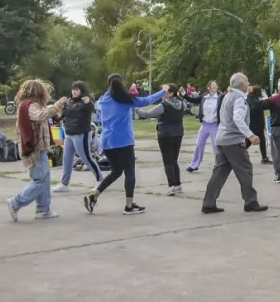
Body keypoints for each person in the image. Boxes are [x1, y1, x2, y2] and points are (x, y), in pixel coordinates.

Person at [84, 75, 167, 216]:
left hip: (107, 141)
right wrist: (163, 91)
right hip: (123, 141)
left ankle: (94, 195)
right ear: (122, 85)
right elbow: (146, 101)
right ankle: (129, 206)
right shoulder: (126, 101)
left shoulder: (103, 100)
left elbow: (97, 104)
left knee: (116, 171)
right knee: (129, 171)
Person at [201, 72, 269, 214]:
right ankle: (250, 202)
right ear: (242, 84)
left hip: (222, 138)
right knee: (245, 170)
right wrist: (250, 135)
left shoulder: (227, 96)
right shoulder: (239, 98)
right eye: (247, 82)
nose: (249, 84)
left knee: (219, 172)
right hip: (233, 141)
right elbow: (238, 118)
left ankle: (208, 203)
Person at [6, 80, 67, 221]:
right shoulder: (30, 105)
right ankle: (16, 203)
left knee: (44, 179)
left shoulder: (28, 104)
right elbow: (40, 116)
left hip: (38, 148)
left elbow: (43, 113)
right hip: (35, 149)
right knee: (40, 180)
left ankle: (43, 209)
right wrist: (57, 105)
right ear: (38, 92)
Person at [135, 83, 187, 195]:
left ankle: (171, 185)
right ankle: (178, 185)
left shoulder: (164, 105)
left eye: (165, 91)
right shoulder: (182, 104)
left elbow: (147, 114)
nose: (163, 94)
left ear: (170, 93)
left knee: (167, 161)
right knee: (174, 160)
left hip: (165, 133)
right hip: (178, 132)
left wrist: (135, 108)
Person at [53, 81, 102, 192]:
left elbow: (92, 109)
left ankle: (100, 179)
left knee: (86, 157)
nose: (74, 92)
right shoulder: (69, 102)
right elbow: (61, 116)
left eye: (77, 89)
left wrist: (89, 102)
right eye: (73, 89)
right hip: (69, 134)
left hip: (81, 134)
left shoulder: (86, 101)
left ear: (82, 91)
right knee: (67, 158)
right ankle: (64, 183)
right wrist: (58, 107)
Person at [187, 81, 222, 174]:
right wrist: (184, 95)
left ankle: (219, 164)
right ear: (208, 87)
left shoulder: (220, 97)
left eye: (216, 85)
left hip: (215, 124)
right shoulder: (204, 97)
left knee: (216, 146)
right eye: (213, 85)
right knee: (199, 144)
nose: (215, 86)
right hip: (205, 124)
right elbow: (193, 100)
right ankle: (194, 165)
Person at [246, 85, 271, 165]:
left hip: (254, 123)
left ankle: (264, 157)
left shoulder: (251, 99)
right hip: (256, 123)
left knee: (260, 140)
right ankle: (264, 157)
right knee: (251, 141)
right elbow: (255, 107)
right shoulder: (252, 99)